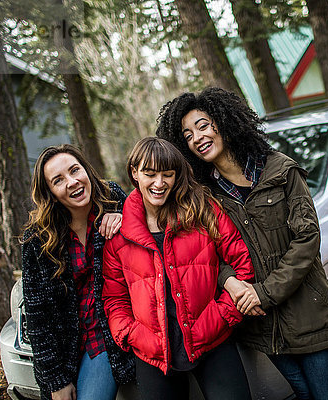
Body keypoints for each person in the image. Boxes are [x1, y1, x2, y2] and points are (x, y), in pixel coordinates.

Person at [156, 87, 328, 400]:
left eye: (203, 125)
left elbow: (307, 238)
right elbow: (206, 254)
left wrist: (263, 293)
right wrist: (230, 281)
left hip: (305, 310)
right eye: (187, 134)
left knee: (327, 396)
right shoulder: (204, 197)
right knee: (304, 394)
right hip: (260, 323)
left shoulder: (280, 170)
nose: (197, 137)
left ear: (224, 122)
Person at [101, 137, 255, 400]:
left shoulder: (202, 211)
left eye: (167, 175)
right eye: (150, 174)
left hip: (213, 342)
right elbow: (114, 299)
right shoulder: (119, 234)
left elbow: (243, 265)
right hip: (152, 355)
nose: (159, 184)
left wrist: (224, 314)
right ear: (134, 173)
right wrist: (132, 334)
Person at [21, 144, 135, 400]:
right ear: (49, 192)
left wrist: (124, 217)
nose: (72, 182)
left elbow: (144, 238)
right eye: (58, 180)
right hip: (72, 345)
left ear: (86, 170)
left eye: (75, 170)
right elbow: (38, 319)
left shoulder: (113, 198)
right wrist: (56, 381)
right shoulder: (38, 240)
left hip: (114, 330)